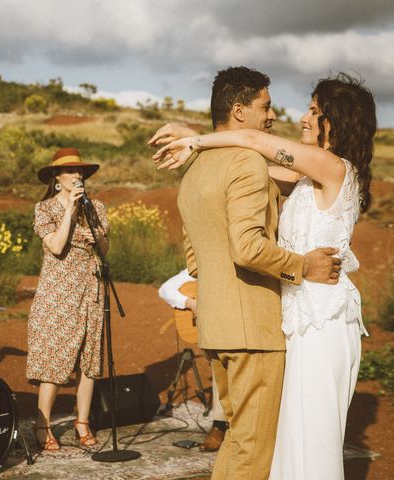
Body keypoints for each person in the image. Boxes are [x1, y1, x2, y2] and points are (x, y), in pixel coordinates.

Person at [152, 72, 376, 480]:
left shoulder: (332, 166)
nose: (301, 118)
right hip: (291, 316)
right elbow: (241, 163)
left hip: (320, 316)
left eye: (314, 111)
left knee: (309, 435)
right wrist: (203, 138)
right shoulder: (305, 176)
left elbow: (253, 143)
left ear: (336, 122)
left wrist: (197, 140)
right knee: (281, 436)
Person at [27, 147, 109, 451]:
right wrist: (71, 214)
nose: (79, 176)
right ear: (57, 178)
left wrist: (96, 239)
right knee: (56, 358)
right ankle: (42, 423)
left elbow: (105, 247)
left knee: (89, 360)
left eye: (82, 172)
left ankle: (82, 422)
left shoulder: (96, 207)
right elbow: (58, 246)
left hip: (91, 288)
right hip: (58, 293)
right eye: (73, 172)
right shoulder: (45, 209)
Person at [158, 269, 229, 451]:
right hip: (215, 335)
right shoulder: (200, 266)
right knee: (218, 366)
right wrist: (190, 303)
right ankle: (220, 425)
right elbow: (165, 289)